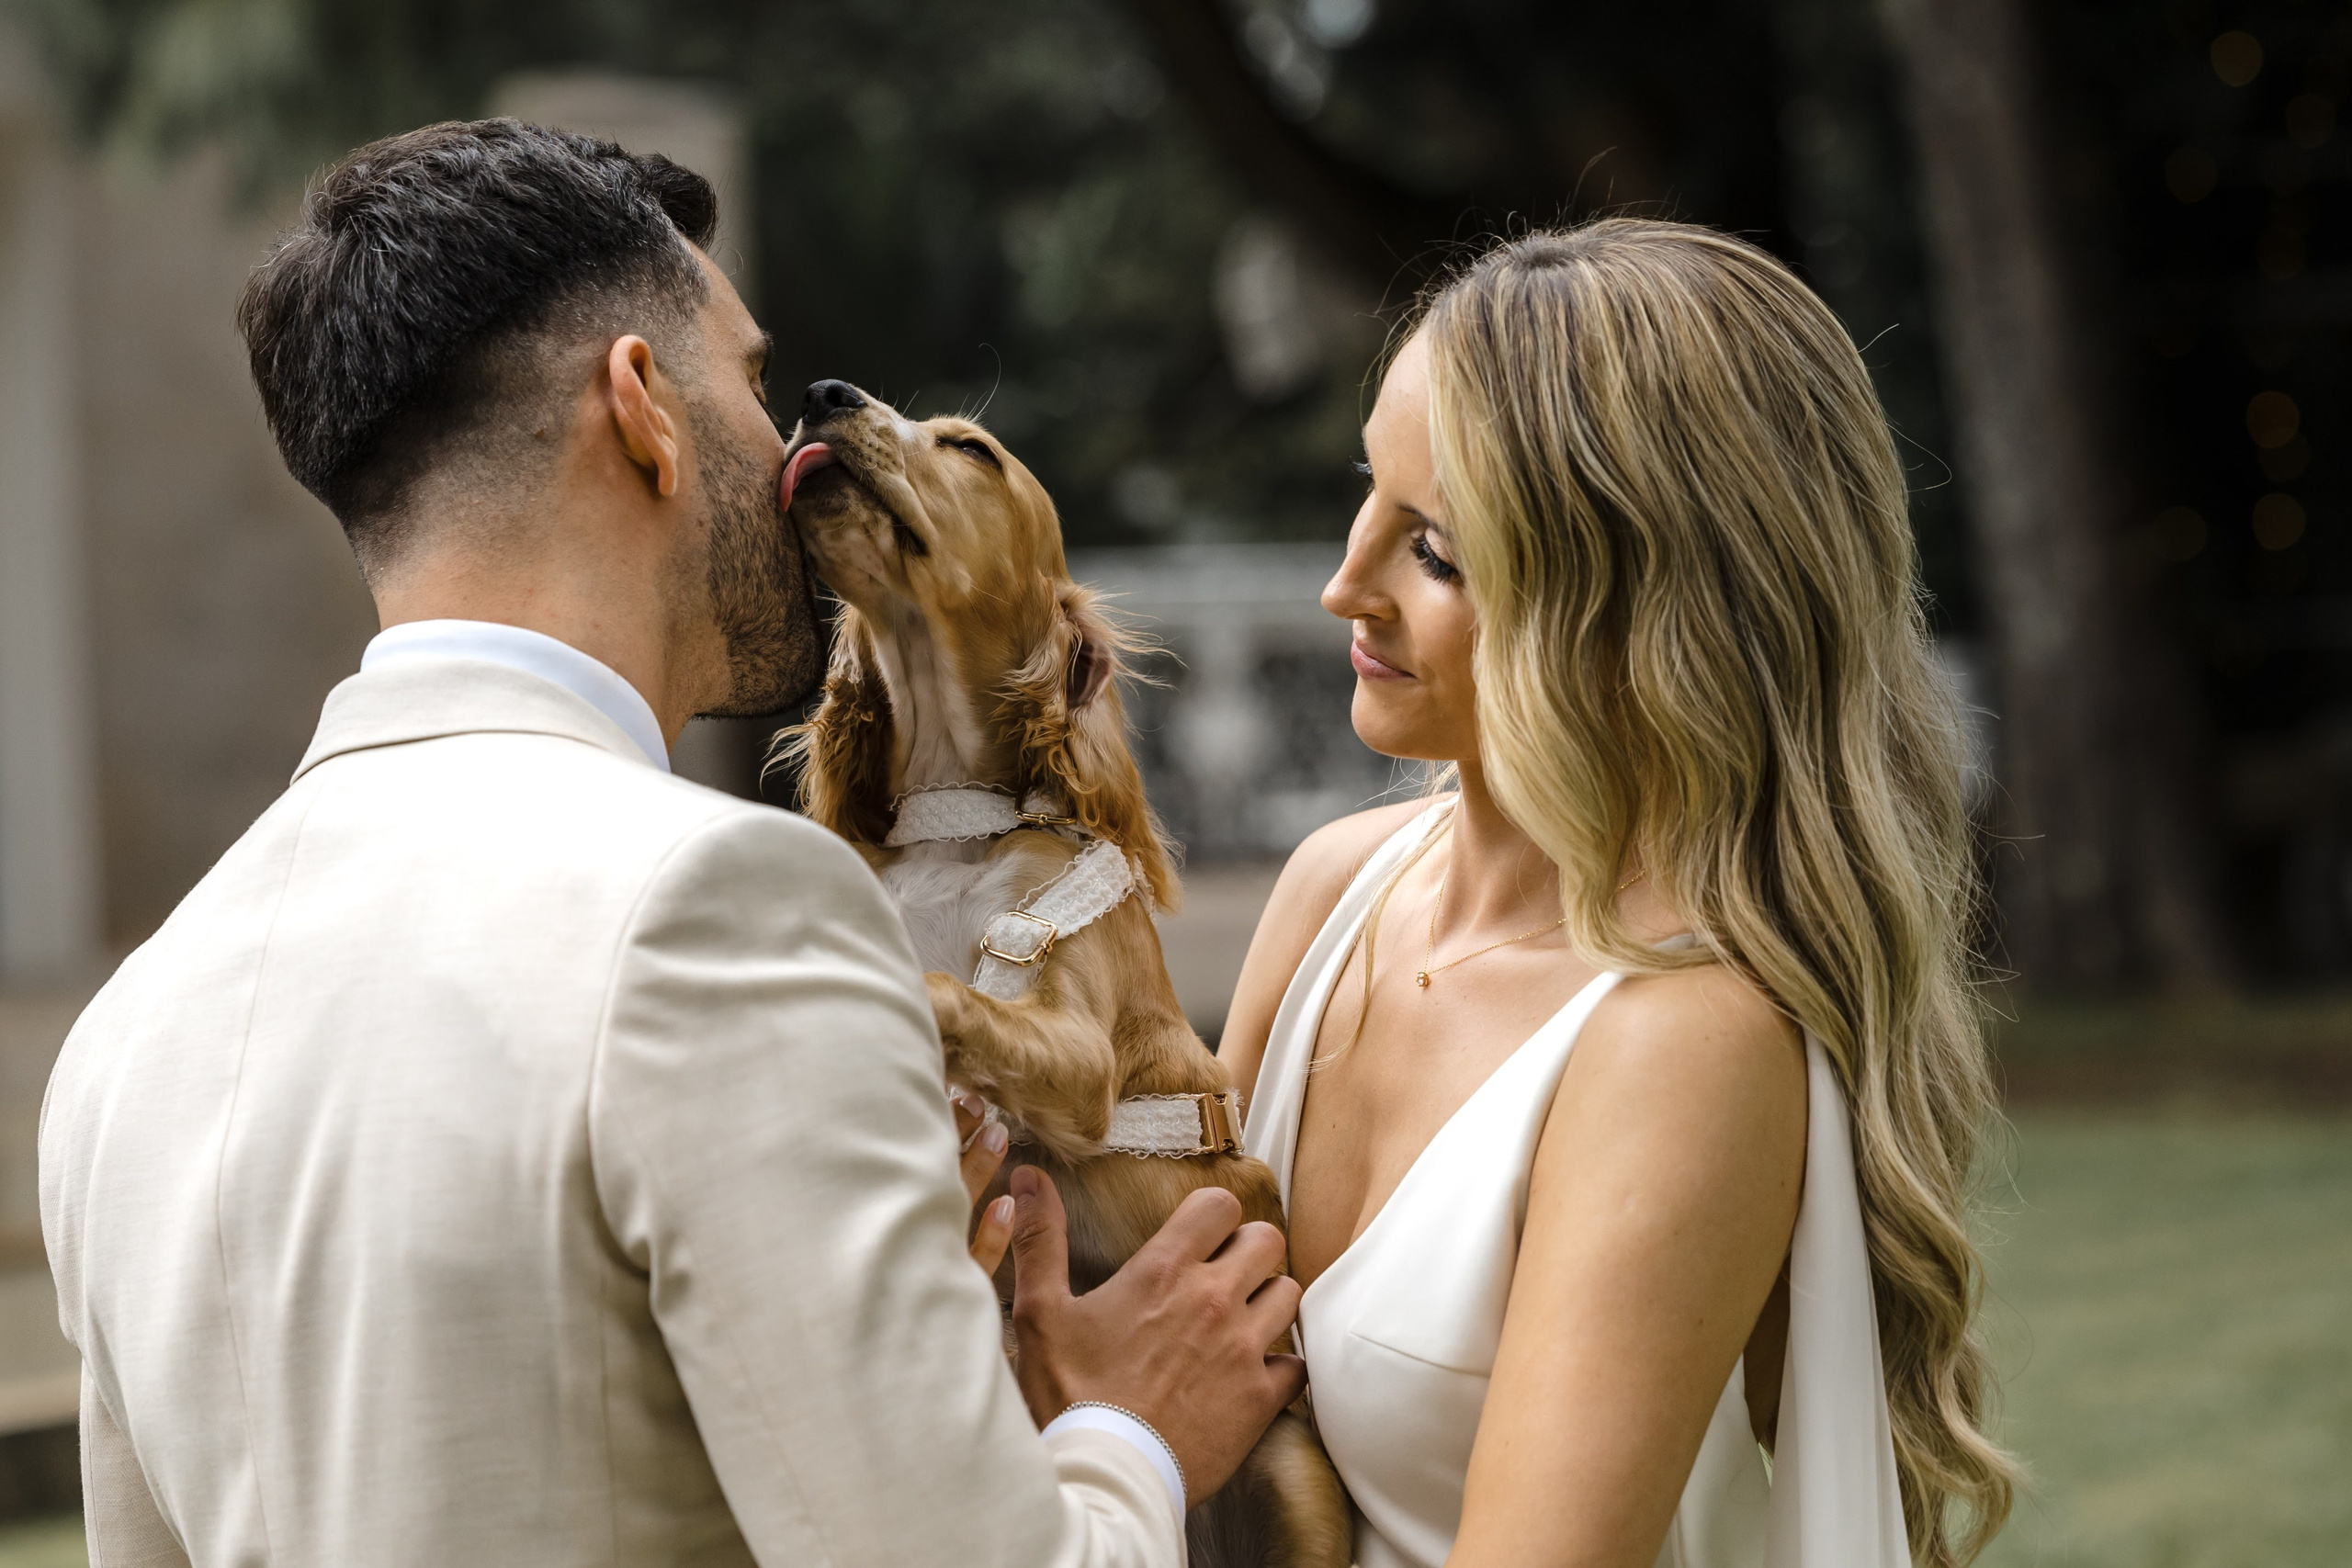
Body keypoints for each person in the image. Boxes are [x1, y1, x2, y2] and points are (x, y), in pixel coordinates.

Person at [40, 118, 1303, 1568]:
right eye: (757, 382)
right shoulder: (721, 904)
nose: (788, 443)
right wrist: (1128, 1430)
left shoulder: (124, 1039)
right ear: (642, 405)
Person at [1218, 221, 2019, 1568]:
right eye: (1368, 495)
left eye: (1438, 551)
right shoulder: (1332, 895)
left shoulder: (1683, 1040)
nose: (1342, 586)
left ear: (1638, 603)